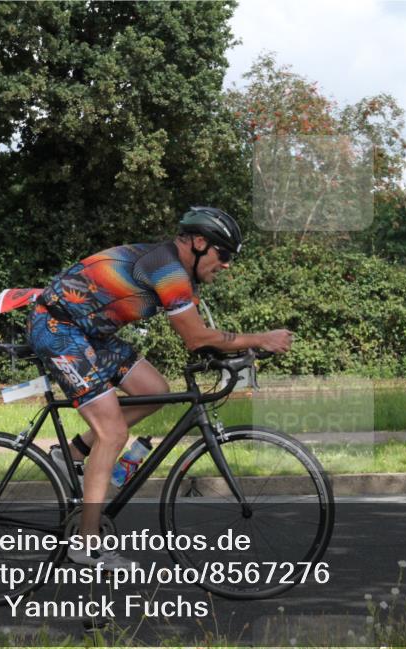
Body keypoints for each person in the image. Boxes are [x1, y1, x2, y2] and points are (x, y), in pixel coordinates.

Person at [26, 206, 292, 571]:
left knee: (153, 387)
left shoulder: (181, 275)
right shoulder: (167, 269)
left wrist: (234, 352)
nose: (226, 264)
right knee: (113, 432)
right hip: (57, 329)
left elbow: (201, 337)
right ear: (200, 243)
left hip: (90, 334)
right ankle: (86, 545)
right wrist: (261, 338)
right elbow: (196, 337)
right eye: (223, 254)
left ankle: (72, 453)